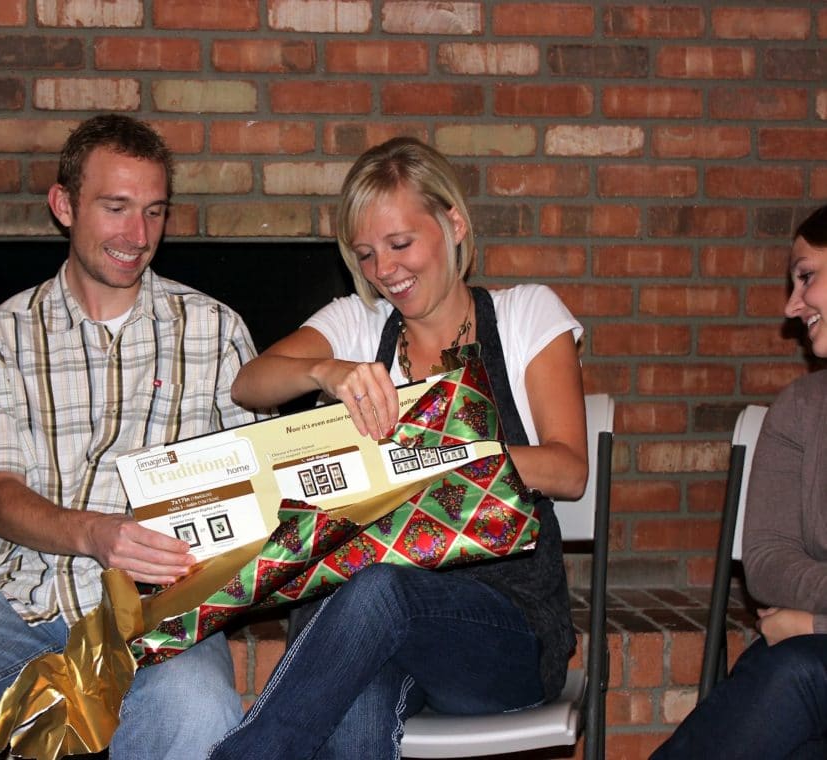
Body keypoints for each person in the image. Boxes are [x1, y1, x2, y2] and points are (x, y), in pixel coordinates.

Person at [0, 114, 263, 759]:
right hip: (18, 597)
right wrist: (96, 533)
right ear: (64, 205)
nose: (138, 235)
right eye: (116, 208)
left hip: (161, 606)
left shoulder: (216, 329)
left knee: (199, 706)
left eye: (154, 211)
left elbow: (253, 489)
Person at [208, 137, 588, 760]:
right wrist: (327, 372)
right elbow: (250, 384)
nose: (384, 269)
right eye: (366, 253)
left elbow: (569, 469)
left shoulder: (525, 315)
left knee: (380, 588)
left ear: (454, 223)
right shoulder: (360, 324)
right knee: (358, 705)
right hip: (368, 630)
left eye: (400, 243)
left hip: (501, 631)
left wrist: (431, 455)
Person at [651, 204, 827, 759]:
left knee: (794, 670)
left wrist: (815, 621)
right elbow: (769, 561)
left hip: (807, 659)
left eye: (807, 276)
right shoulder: (802, 408)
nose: (791, 305)